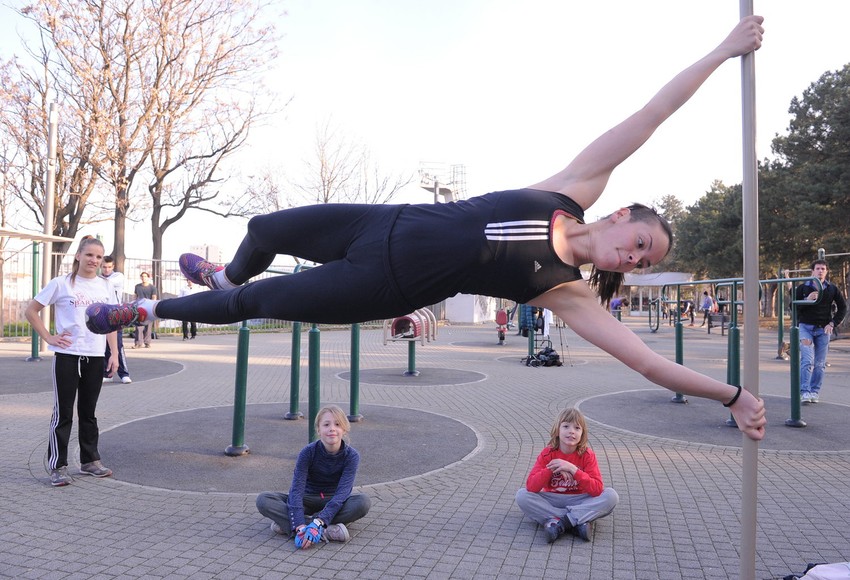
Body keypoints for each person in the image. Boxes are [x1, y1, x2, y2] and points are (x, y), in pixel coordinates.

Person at [86, 16, 767, 441]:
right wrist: (720, 51)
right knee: (263, 228)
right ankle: (222, 270)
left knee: (255, 304)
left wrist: (732, 393)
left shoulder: (568, 293)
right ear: (623, 216)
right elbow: (652, 114)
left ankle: (143, 309)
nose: (636, 257)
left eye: (643, 263)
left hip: (379, 281)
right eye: (642, 243)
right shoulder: (571, 189)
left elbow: (647, 362)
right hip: (377, 222)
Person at [24, 236, 119, 486]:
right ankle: (58, 466)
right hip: (68, 356)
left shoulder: (106, 286)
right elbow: (31, 310)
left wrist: (115, 354)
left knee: (89, 412)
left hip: (96, 356)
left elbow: (111, 323)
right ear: (78, 255)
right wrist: (49, 338)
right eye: (89, 255)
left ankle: (90, 461)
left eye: (99, 257)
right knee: (63, 413)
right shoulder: (61, 284)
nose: (94, 260)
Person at [255, 406, 371, 548]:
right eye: (326, 424)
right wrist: (299, 524)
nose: (332, 429)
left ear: (344, 429)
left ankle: (293, 525)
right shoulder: (307, 452)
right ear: (318, 430)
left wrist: (319, 521)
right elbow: (296, 490)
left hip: (333, 501)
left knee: (362, 502)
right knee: (264, 500)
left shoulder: (351, 456)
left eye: (337, 424)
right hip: (307, 499)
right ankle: (323, 530)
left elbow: (342, 494)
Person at [515, 408, 618, 543]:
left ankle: (558, 523)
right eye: (566, 426)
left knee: (611, 496)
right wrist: (552, 468)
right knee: (522, 496)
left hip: (579, 499)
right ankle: (577, 522)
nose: (571, 431)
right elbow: (531, 486)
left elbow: (597, 489)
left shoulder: (587, 455)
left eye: (577, 428)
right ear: (557, 430)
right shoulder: (548, 453)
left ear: (582, 434)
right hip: (553, 500)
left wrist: (573, 469)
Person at [795, 260, 847, 404]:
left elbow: (842, 308)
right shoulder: (803, 287)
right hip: (806, 328)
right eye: (817, 268)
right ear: (812, 271)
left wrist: (833, 323)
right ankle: (804, 392)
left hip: (823, 329)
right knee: (807, 360)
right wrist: (806, 300)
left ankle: (814, 391)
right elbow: (793, 307)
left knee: (819, 363)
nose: (820, 271)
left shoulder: (831, 289)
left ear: (826, 271)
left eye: (823, 269)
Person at [100, 256, 132, 383]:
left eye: (109, 267)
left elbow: (106, 283)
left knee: (117, 345)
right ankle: (107, 373)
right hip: (102, 314)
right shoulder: (98, 279)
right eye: (104, 267)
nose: (107, 270)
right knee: (103, 345)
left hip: (115, 314)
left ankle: (124, 373)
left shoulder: (118, 276)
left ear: (113, 267)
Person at [133, 272, 157, 348]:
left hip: (148, 308)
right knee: (138, 327)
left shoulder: (152, 288)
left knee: (148, 327)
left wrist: (152, 306)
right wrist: (133, 305)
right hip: (139, 308)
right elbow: (135, 296)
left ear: (148, 278)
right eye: (142, 276)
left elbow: (154, 297)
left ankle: (147, 342)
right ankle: (138, 343)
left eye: (145, 276)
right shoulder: (137, 286)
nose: (143, 278)